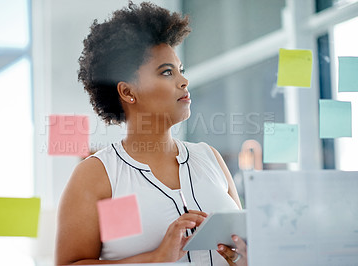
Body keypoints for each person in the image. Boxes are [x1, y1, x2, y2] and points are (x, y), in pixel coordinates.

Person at [55, 2, 247, 265]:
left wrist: (242, 258)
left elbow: (242, 248)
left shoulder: (210, 157)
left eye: (181, 70)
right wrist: (155, 258)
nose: (183, 81)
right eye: (167, 72)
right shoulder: (97, 176)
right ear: (127, 92)